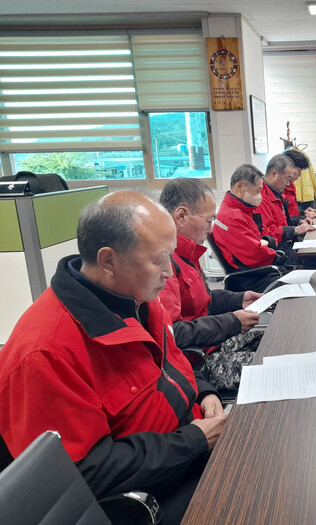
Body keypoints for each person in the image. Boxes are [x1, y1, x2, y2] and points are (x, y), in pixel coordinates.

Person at [0, 192, 227, 525]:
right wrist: (194, 441)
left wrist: (205, 393)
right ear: (108, 261)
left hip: (190, 445)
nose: (169, 272)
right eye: (160, 259)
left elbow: (170, 363)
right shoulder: (45, 352)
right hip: (153, 492)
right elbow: (81, 473)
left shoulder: (134, 297)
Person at [159, 178, 264, 392]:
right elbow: (173, 333)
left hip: (211, 343)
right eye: (208, 221)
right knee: (271, 368)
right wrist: (231, 323)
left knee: (273, 341)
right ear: (181, 216)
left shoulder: (187, 254)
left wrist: (239, 299)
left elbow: (202, 300)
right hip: (197, 363)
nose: (210, 229)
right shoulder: (164, 264)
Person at [213, 164, 289, 291]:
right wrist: (277, 256)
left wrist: (268, 243)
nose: (260, 195)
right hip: (250, 278)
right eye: (258, 191)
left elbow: (257, 239)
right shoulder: (233, 217)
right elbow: (256, 254)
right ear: (240, 187)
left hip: (254, 272)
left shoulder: (241, 210)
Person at [258, 154, 316, 246]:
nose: (289, 183)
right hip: (278, 247)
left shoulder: (276, 192)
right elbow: (265, 233)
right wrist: (295, 230)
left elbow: (284, 220)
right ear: (274, 174)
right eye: (288, 178)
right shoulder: (260, 197)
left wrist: (299, 220)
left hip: (287, 241)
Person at [282, 148, 316, 221]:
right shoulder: (278, 189)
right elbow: (283, 220)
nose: (300, 175)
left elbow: (291, 213)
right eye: (299, 171)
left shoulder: (291, 186)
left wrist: (303, 213)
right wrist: (302, 218)